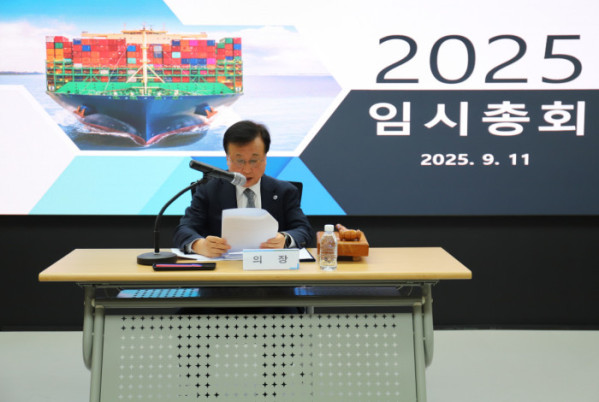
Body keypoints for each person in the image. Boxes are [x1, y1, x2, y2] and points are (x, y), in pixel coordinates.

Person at [173, 120, 314, 257]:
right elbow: (183, 230)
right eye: (239, 161)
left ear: (265, 158)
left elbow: (303, 230)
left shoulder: (284, 191)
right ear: (227, 159)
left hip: (271, 268)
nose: (246, 170)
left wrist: (285, 239)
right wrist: (199, 245)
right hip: (225, 268)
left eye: (254, 160)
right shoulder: (209, 190)